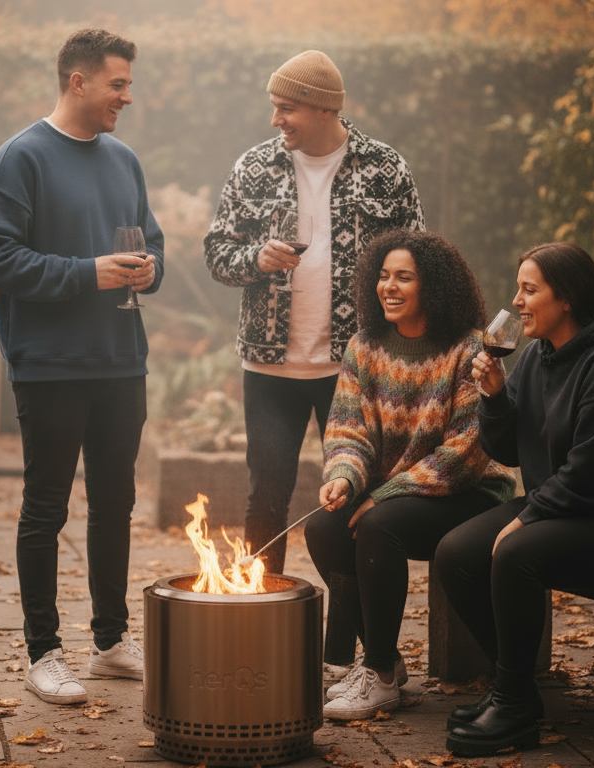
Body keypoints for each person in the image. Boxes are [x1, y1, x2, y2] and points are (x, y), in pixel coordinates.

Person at [0, 28, 163, 704]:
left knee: (116, 502)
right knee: (45, 507)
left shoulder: (124, 159)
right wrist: (89, 273)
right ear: (77, 81)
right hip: (49, 366)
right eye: (117, 83)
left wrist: (147, 271)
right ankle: (43, 651)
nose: (127, 96)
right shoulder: (19, 159)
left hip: (122, 363)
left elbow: (155, 243)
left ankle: (110, 640)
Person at [204, 50, 425, 583]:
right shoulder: (253, 167)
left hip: (354, 369)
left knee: (352, 501)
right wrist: (254, 259)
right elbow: (216, 252)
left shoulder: (385, 168)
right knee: (265, 500)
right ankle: (262, 617)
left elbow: (418, 258)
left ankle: (349, 649)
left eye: (285, 108)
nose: (275, 119)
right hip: (268, 369)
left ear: (323, 108)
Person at [304, 229, 516, 721]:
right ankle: (389, 663)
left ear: (433, 287)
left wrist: (388, 493)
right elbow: (346, 431)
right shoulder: (363, 347)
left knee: (378, 523)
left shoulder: (467, 349)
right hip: (392, 497)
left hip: (469, 493)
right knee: (322, 526)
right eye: (383, 277)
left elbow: (468, 450)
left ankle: (376, 673)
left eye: (404, 278)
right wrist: (344, 478)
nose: (389, 288)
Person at [435, 242, 594, 757]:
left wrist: (530, 515)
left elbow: (589, 469)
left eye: (529, 290)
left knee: (514, 551)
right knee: (456, 554)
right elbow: (506, 450)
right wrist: (495, 396)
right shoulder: (535, 358)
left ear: (566, 297)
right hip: (558, 505)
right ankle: (517, 689)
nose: (517, 301)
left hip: (586, 509)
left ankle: (512, 705)